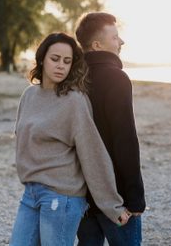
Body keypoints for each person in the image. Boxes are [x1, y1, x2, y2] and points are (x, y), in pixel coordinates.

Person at [9, 32, 130, 246]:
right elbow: (22, 140)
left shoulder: (74, 100)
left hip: (61, 198)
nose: (61, 66)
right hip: (31, 193)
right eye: (55, 59)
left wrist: (111, 205)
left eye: (67, 61)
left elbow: (92, 153)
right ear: (42, 59)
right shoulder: (28, 96)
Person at [75, 12, 146, 246]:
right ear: (97, 45)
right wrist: (135, 199)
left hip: (82, 193)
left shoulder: (73, 80)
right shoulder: (116, 78)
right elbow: (124, 140)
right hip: (116, 195)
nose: (121, 42)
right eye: (115, 37)